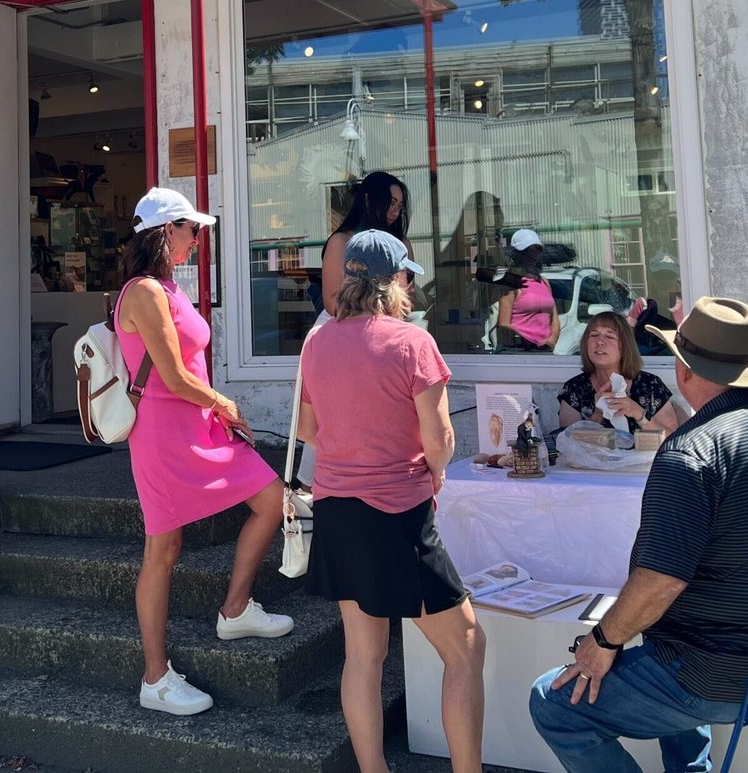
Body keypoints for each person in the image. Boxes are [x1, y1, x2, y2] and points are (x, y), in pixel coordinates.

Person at [529, 297, 748, 772]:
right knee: (666, 642)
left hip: (737, 676)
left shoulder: (692, 453)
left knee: (554, 703)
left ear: (683, 372)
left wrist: (601, 642)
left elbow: (661, 581)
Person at [298, 230, 486, 773]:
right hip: (397, 515)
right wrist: (434, 468)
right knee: (465, 646)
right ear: (396, 280)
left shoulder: (317, 342)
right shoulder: (412, 342)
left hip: (337, 510)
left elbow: (308, 430)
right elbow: (440, 440)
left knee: (363, 656)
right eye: (407, 276)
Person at [115, 187, 295, 716]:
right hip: (164, 433)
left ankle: (235, 608)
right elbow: (172, 375)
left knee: (273, 500)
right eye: (190, 229)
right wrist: (223, 401)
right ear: (164, 232)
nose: (196, 239)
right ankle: (155, 678)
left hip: (198, 424)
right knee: (163, 550)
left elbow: (184, 371)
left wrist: (214, 408)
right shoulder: (145, 292)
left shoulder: (166, 288)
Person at [297, 171, 413, 488]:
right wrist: (374, 316)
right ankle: (317, 482)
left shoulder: (401, 243)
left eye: (400, 205)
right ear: (369, 200)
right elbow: (332, 301)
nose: (395, 210)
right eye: (390, 202)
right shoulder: (341, 241)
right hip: (340, 332)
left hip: (386, 332)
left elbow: (407, 297)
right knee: (334, 411)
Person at [557, 311, 681, 434]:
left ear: (625, 346)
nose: (599, 342)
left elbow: (673, 437)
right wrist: (598, 414)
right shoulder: (574, 388)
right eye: (594, 335)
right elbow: (567, 441)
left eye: (610, 336)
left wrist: (637, 412)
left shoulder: (651, 385)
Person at [495, 228, 561, 350]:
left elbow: (555, 319)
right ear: (516, 255)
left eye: (536, 250)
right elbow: (504, 324)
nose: (533, 255)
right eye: (527, 251)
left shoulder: (544, 282)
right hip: (521, 352)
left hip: (546, 351)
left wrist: (550, 341)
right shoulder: (510, 284)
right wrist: (530, 342)